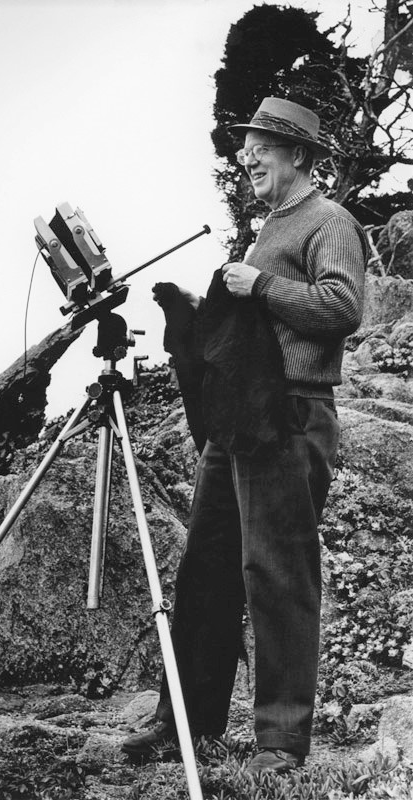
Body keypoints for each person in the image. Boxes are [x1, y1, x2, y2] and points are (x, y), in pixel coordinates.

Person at [122, 97, 367, 775]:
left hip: (289, 418)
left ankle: (279, 744)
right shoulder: (269, 226)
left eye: (260, 145)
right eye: (245, 145)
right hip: (239, 422)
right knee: (205, 571)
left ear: (298, 155)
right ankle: (185, 727)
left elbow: (341, 309)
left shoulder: (329, 221)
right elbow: (258, 330)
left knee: (277, 578)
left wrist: (258, 284)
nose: (245, 156)